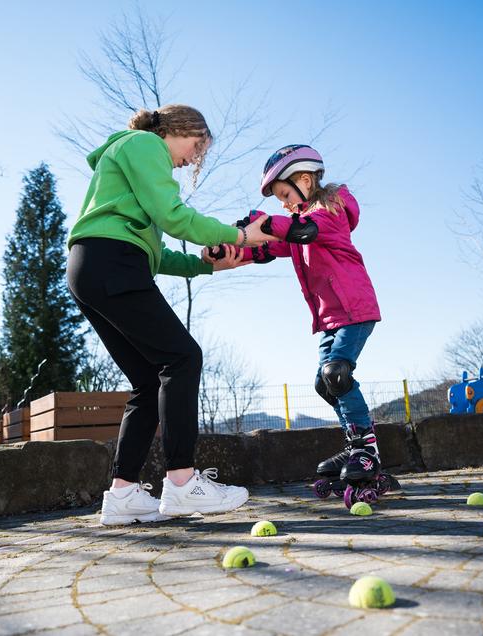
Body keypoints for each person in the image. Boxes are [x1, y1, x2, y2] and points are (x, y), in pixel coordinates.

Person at [66, 104, 275, 525]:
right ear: (179, 130)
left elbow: (155, 255)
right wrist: (240, 235)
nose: (192, 159)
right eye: (197, 147)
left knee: (148, 381)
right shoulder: (144, 145)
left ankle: (123, 495)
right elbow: (173, 217)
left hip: (94, 268)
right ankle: (181, 483)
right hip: (112, 263)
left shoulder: (128, 168)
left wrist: (208, 264)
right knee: (183, 357)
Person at [206, 144, 384, 489]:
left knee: (338, 372)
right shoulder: (299, 223)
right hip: (331, 318)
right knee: (325, 383)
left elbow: (298, 230)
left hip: (354, 309)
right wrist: (230, 248)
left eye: (285, 194)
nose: (284, 203)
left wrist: (264, 222)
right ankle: (353, 446)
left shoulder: (330, 212)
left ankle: (368, 450)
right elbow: (269, 247)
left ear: (305, 180)